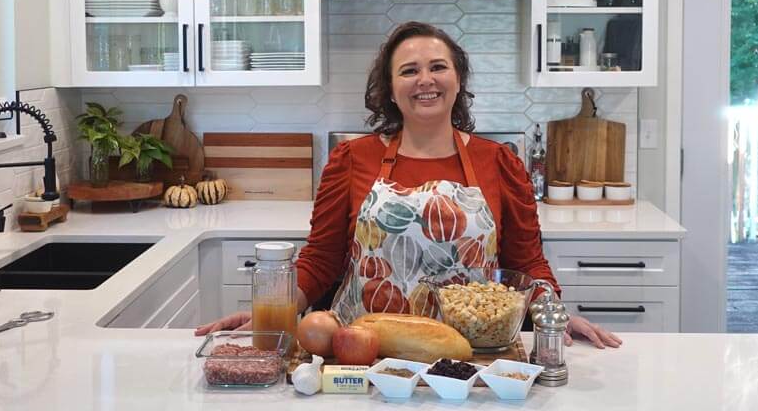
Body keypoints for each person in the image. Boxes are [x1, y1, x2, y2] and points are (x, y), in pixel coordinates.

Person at [196, 22, 621, 349]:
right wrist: (270, 314)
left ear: (458, 81)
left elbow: (526, 264)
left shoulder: (500, 162)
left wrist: (554, 314)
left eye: (438, 67)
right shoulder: (351, 160)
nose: (425, 80)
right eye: (409, 71)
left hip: (473, 354)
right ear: (391, 89)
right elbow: (321, 260)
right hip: (361, 351)